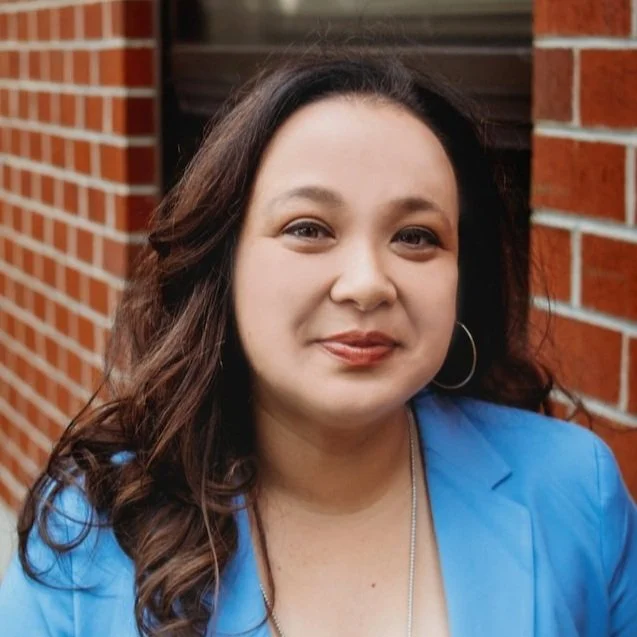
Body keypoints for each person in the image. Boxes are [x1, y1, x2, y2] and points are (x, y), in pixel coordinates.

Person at [0, 53, 635, 637]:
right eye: (309, 228)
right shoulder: (89, 532)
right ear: (224, 263)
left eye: (416, 236)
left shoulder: (577, 491)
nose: (367, 284)